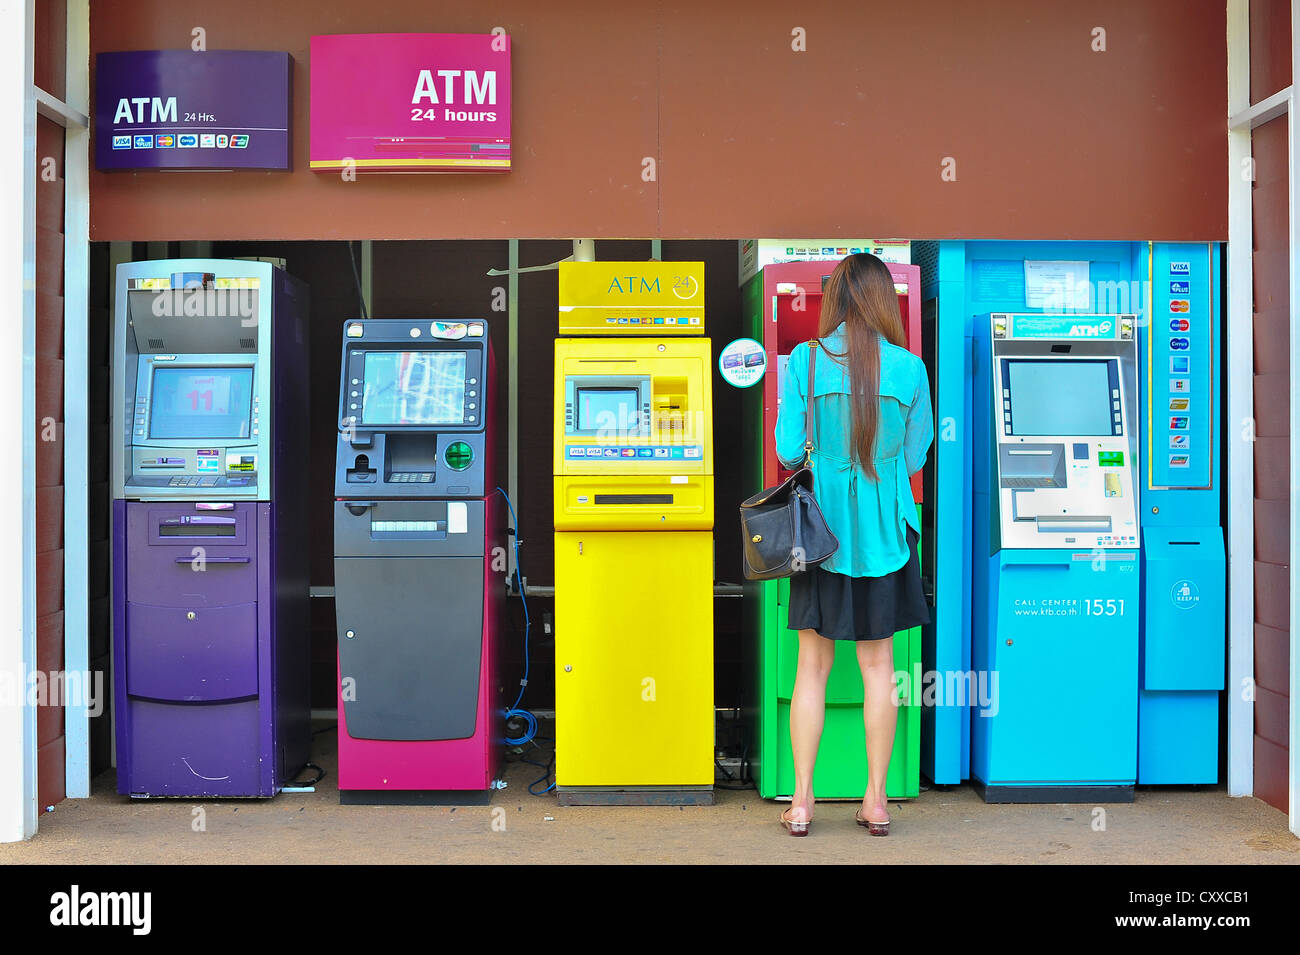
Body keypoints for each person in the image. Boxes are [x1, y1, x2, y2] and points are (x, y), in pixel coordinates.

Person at [773, 253, 934, 837]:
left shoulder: (805, 362)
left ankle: (802, 802)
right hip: (886, 538)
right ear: (885, 301)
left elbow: (789, 452)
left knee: (812, 669)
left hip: (821, 539)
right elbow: (915, 457)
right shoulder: (911, 369)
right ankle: (876, 802)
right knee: (880, 669)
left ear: (835, 299)